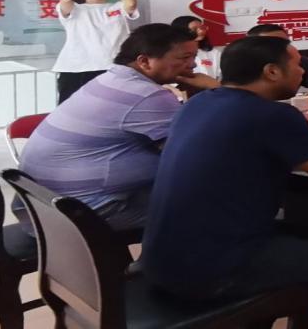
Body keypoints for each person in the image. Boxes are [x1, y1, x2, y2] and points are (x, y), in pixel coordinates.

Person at [142, 36, 308, 303]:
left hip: (163, 258)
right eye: (297, 64)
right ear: (272, 71)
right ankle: (254, 311)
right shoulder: (272, 114)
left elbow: (264, 148)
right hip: (210, 269)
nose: (303, 72)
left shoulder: (200, 103)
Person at [16, 24, 196, 232]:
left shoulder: (111, 79)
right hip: (82, 213)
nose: (192, 64)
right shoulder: (148, 95)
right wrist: (215, 92)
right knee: (211, 202)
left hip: (42, 209)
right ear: (144, 61)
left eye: (194, 57)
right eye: (184, 58)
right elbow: (193, 155)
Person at [52, 0, 140, 102]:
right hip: (77, 69)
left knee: (115, 108)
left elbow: (131, 4)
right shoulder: (74, 9)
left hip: (114, 67)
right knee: (75, 111)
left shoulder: (117, 7)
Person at [247, 23, 308, 107]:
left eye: (285, 43)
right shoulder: (243, 67)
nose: (282, 48)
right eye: (273, 44)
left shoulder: (299, 62)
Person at [171, 15, 222, 80]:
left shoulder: (213, 52)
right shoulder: (170, 53)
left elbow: (219, 77)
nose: (201, 31)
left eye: (202, 28)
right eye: (194, 29)